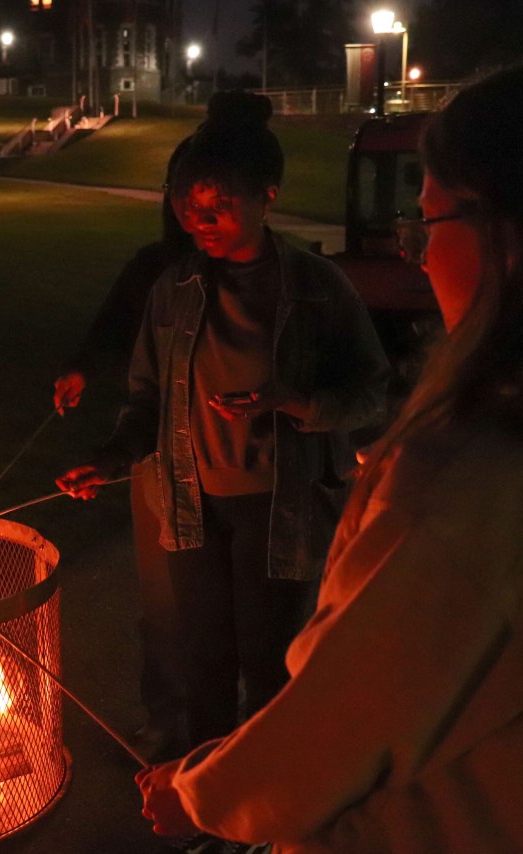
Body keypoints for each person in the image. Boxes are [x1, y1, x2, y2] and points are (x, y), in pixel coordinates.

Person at [137, 55, 523, 851]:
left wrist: (202, 798)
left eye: (430, 220)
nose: (416, 254)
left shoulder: (482, 483)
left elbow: (335, 726)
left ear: (516, 231)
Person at [58, 92, 388, 753]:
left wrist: (293, 402)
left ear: (268, 196)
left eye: (219, 207)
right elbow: (147, 398)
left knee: (270, 665)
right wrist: (113, 457)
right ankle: (210, 799)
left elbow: (372, 390)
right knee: (201, 665)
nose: (200, 220)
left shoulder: (319, 288)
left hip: (278, 509)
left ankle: (266, 809)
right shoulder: (174, 289)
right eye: (187, 206)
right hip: (190, 508)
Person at [53, 133, 194, 763]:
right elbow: (116, 332)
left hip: (234, 474)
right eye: (181, 196)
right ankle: (169, 722)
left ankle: (229, 731)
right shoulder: (153, 269)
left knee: (225, 610)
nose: (192, 214)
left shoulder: (268, 279)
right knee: (163, 606)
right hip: (155, 465)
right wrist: (83, 367)